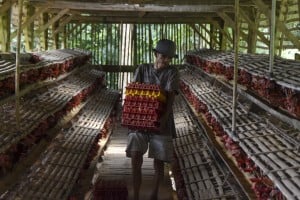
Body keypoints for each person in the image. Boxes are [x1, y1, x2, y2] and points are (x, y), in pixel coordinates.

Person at [125, 39, 180, 200]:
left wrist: (163, 119)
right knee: (135, 155)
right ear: (155, 54)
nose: (166, 60)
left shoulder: (172, 72)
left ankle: (154, 194)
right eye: (163, 56)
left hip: (162, 120)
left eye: (169, 58)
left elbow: (170, 100)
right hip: (140, 120)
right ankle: (135, 195)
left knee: (159, 159)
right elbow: (134, 92)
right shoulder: (143, 69)